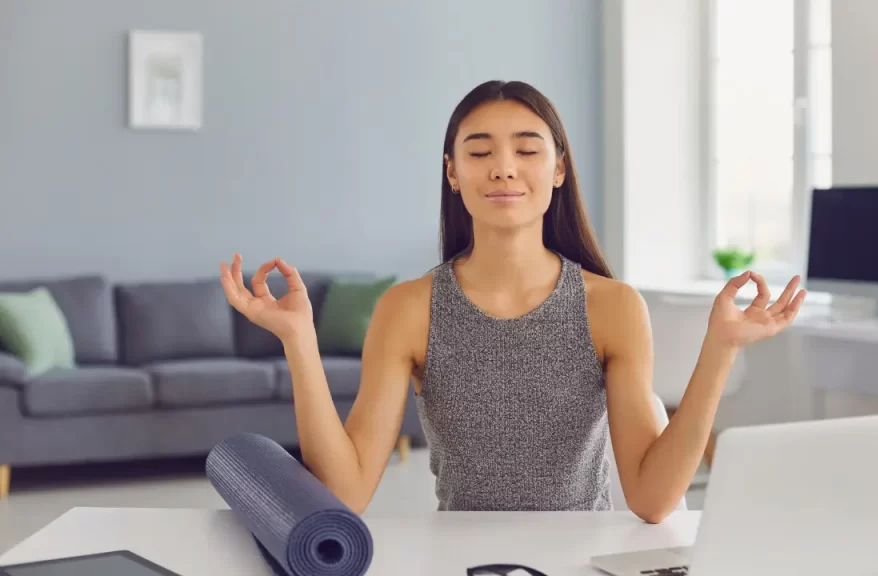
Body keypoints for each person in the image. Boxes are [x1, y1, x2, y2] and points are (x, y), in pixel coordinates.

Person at [220, 80, 805, 524]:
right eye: (479, 152)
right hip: (463, 557)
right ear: (452, 172)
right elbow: (345, 493)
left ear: (557, 170)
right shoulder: (408, 308)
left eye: (527, 150)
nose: (503, 168)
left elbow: (652, 501)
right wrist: (299, 340)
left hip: (582, 554)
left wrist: (721, 348)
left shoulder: (614, 307)